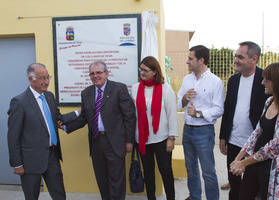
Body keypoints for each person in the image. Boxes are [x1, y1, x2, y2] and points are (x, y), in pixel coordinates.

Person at [64, 61, 136, 200]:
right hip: (96, 142)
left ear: (106, 73)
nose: (95, 76)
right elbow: (85, 117)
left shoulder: (118, 89)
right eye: (92, 73)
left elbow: (129, 117)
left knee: (116, 182)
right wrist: (67, 126)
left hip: (115, 142)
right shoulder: (86, 93)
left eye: (99, 72)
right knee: (102, 180)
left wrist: (129, 141)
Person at [7, 63, 78, 200]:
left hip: (52, 155)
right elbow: (13, 136)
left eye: (47, 77)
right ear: (30, 79)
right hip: (30, 161)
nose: (46, 82)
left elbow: (58, 119)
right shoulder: (19, 102)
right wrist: (17, 163)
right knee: (32, 196)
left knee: (59, 195)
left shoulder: (49, 96)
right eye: (42, 78)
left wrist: (80, 112)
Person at [230, 62, 279, 200]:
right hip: (254, 164)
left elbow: (275, 147)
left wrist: (244, 163)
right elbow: (257, 132)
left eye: (266, 79)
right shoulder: (269, 101)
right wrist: (238, 158)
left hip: (274, 170)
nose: (263, 83)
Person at [219, 41, 268, 200]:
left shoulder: (265, 79)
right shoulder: (233, 80)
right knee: (234, 184)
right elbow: (228, 110)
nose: (236, 60)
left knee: (253, 187)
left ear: (253, 59)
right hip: (233, 141)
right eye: (235, 56)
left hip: (256, 143)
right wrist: (223, 136)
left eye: (240, 57)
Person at [178, 45, 224, 200]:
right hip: (187, 130)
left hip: (204, 132)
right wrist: (185, 98)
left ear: (201, 60)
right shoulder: (187, 79)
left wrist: (199, 113)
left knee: (208, 171)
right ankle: (194, 196)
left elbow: (219, 109)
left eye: (190, 58)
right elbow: (179, 103)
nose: (187, 62)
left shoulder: (215, 82)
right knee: (190, 169)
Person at [131, 56, 178, 200]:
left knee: (166, 171)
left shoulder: (165, 88)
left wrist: (171, 137)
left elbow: (172, 114)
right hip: (142, 139)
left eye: (145, 70)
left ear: (154, 72)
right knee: (148, 173)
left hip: (162, 138)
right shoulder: (134, 88)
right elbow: (132, 114)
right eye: (140, 69)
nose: (142, 72)